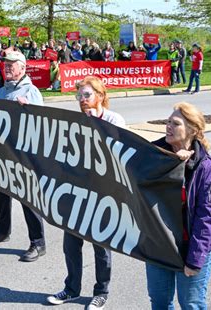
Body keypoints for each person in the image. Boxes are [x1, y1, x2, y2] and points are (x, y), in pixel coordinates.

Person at [47, 76, 124, 310]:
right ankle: (71, 289)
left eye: (87, 95)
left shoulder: (114, 120)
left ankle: (101, 291)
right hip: (75, 192)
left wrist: (96, 128)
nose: (82, 100)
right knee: (71, 245)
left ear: (100, 96)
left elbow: (119, 157)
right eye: (79, 96)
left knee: (101, 247)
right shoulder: (75, 121)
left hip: (102, 195)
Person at [146, 102, 211, 309]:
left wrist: (195, 260)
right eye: (168, 122)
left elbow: (204, 216)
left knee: (191, 303)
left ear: (192, 130)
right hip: (160, 245)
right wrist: (172, 162)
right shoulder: (154, 155)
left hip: (193, 244)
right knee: (160, 302)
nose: (168, 126)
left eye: (176, 123)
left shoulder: (204, 166)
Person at [0, 50, 46, 263]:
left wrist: (29, 109)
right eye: (5, 64)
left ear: (22, 68)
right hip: (2, 154)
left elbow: (43, 124)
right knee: (2, 194)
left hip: (24, 156)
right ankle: (2, 230)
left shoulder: (31, 91)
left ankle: (38, 243)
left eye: (12, 64)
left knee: (27, 198)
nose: (7, 67)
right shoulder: (1, 92)